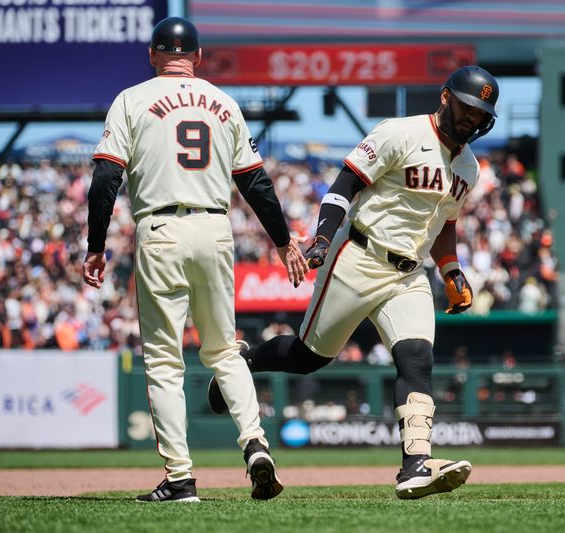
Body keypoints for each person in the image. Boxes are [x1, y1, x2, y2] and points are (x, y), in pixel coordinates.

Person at [208, 65, 500, 499]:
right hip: (360, 256)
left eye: (480, 113)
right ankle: (245, 362)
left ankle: (416, 466)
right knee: (309, 357)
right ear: (445, 97)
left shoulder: (469, 168)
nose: (471, 118)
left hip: (409, 275)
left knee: (416, 360)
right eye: (467, 107)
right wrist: (323, 238)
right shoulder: (399, 133)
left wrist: (450, 269)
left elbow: (444, 223)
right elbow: (345, 184)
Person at [82, 16, 308, 503]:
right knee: (225, 350)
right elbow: (255, 182)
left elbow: (105, 179)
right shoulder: (224, 103)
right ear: (198, 58)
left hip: (160, 229)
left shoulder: (131, 99)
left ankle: (181, 478)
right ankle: (255, 443)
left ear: (152, 55)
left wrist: (96, 246)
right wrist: (284, 240)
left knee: (165, 361)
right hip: (215, 228)